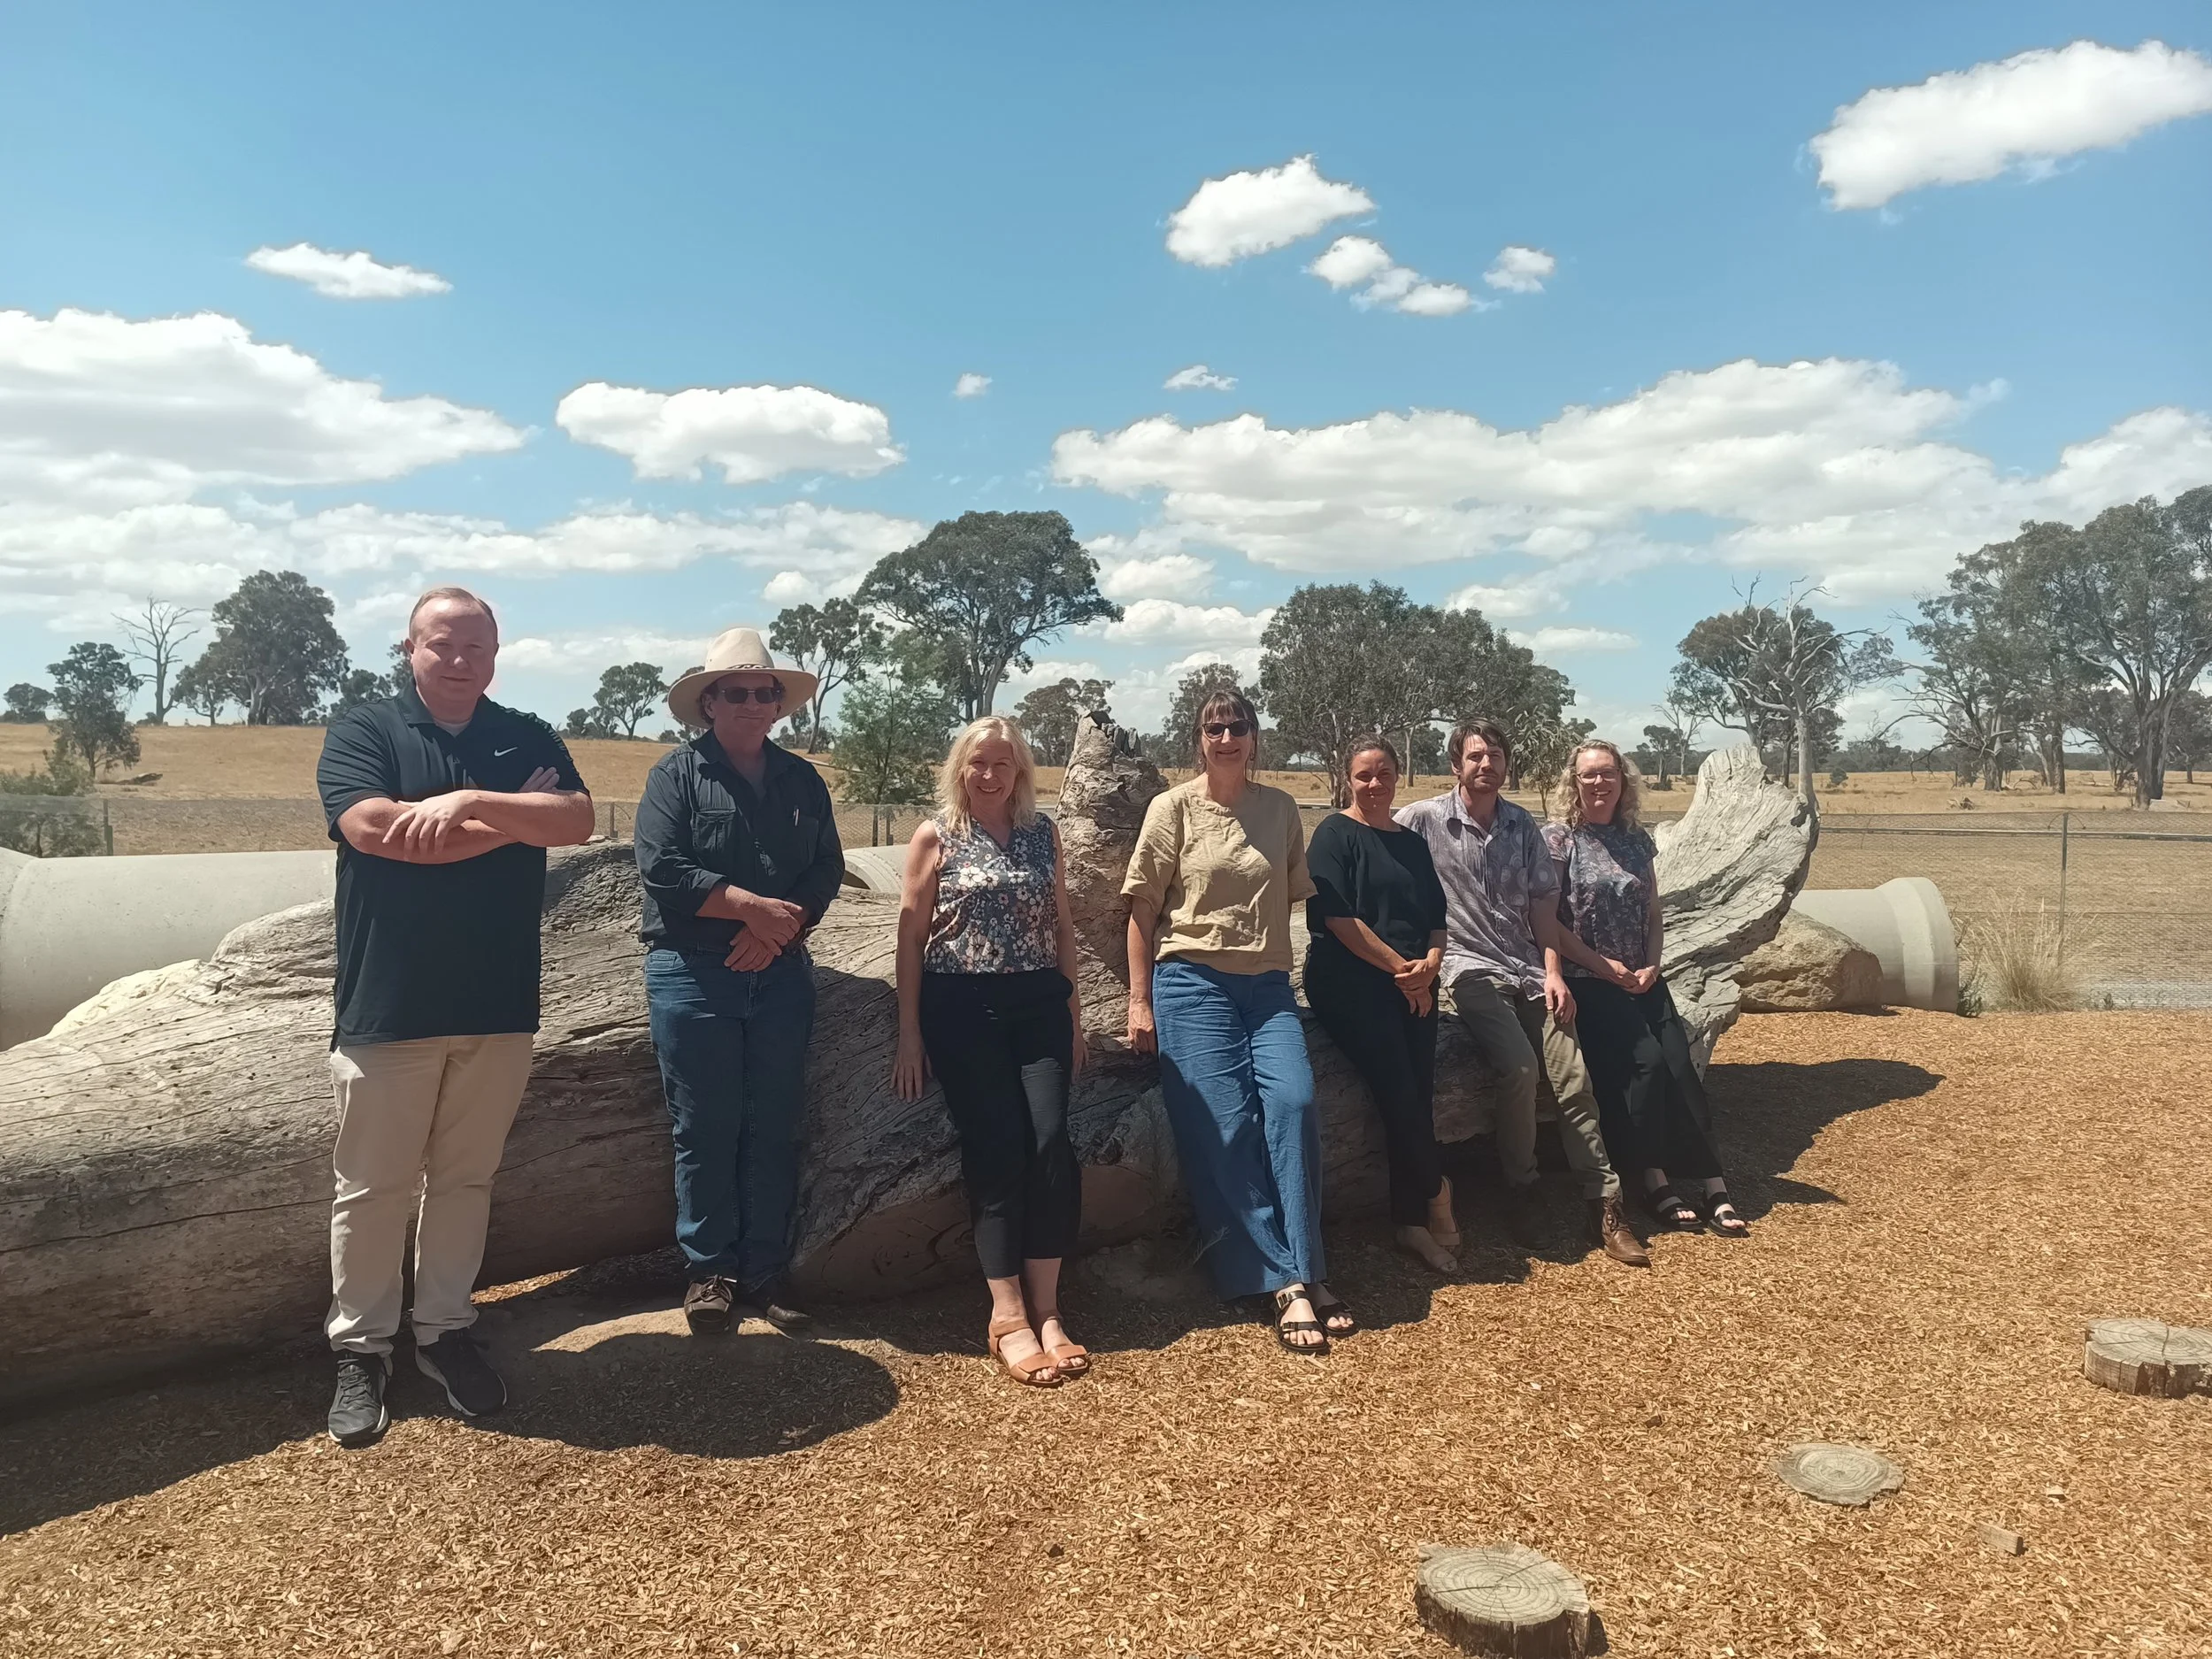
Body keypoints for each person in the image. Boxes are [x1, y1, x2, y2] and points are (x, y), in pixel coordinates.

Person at [314, 586, 595, 1448]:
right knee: (372, 1188)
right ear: (410, 649)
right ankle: (361, 1348)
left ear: (496, 653)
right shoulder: (366, 731)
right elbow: (374, 829)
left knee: (463, 1180)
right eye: (444, 644)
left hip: (496, 1002)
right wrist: (513, 816)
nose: (462, 658)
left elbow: (578, 819)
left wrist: (466, 806)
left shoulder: (524, 733)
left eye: (478, 645)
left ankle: (443, 1332)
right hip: (389, 1003)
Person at [635, 626, 846, 1338]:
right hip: (692, 975)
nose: (753, 703)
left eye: (765, 692)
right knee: (704, 1126)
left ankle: (765, 1271)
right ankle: (710, 1272)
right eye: (737, 692)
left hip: (779, 974)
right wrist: (747, 910)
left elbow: (823, 869)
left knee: (773, 1122)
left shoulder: (802, 779)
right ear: (709, 702)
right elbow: (661, 867)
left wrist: (778, 930)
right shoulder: (675, 776)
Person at [1124, 689, 1348, 1355]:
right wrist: (1140, 1001)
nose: (1226, 737)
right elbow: (1140, 911)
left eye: (1237, 726)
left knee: (1294, 1102)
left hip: (1268, 986)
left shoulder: (1279, 809)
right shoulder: (1172, 808)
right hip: (1191, 983)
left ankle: (1307, 1262)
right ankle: (1285, 1281)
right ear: (1200, 738)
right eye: (1214, 727)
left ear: (1254, 737)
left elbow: (1302, 900)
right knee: (1225, 1124)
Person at [1396, 720, 1649, 1269]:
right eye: (1475, 756)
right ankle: (1522, 1187)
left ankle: (1604, 1202)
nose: (1486, 765)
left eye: (1495, 756)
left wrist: (1553, 972)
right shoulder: (1423, 819)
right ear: (1456, 765)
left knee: (1574, 1078)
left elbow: (1543, 907)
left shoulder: (1523, 826)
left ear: (1506, 764)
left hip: (1530, 966)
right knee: (1517, 1068)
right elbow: (1375, 846)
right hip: (1468, 967)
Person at [893, 717, 1087, 1387]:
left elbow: (1061, 923)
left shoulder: (1043, 833)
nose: (990, 774)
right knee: (998, 1143)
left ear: (1021, 773)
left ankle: (1050, 1309)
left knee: (1051, 1141)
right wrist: (910, 1030)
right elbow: (910, 933)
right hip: (963, 1007)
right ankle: (1007, 1314)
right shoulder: (936, 835)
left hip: (1038, 1007)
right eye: (978, 762)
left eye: (1003, 764)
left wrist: (1074, 1013)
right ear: (960, 768)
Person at [1543, 739, 1747, 1238]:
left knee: (1681, 1066)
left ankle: (1715, 1184)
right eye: (1588, 774)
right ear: (1574, 782)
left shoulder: (1637, 839)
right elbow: (1547, 921)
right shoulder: (1559, 840)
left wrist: (1653, 965)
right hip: (1590, 980)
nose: (1598, 782)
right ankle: (1652, 1177)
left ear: (1623, 780)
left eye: (1607, 773)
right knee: (1646, 1066)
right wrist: (1602, 966)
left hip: (1643, 978)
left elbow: (1653, 913)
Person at [1302, 736, 1459, 1274]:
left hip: (1414, 981)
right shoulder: (1333, 835)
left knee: (1418, 1088)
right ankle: (1436, 1189)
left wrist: (1431, 965)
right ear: (1349, 779)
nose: (1375, 784)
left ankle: (1409, 1222)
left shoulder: (1412, 844)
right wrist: (1403, 971)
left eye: (1384, 773)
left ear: (1399, 777)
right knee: (1396, 1084)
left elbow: (1437, 918)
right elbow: (1340, 921)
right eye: (1365, 775)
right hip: (1349, 980)